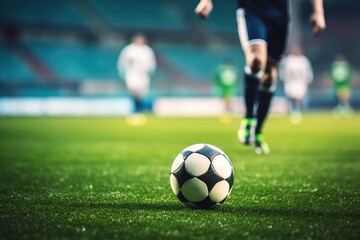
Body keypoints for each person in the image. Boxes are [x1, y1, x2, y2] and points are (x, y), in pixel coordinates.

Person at [195, 0, 325, 154]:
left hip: (280, 14)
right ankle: (249, 118)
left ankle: (258, 131)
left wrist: (318, 11)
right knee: (256, 60)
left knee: (269, 76)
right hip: (252, 9)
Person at [117, 33, 156, 125]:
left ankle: (139, 110)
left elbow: (151, 64)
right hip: (132, 74)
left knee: (141, 94)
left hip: (143, 75)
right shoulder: (128, 50)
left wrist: (149, 71)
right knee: (134, 91)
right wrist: (122, 72)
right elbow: (122, 62)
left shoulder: (147, 50)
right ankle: (135, 111)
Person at [279, 46, 313, 124]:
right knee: (292, 96)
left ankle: (298, 110)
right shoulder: (288, 60)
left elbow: (307, 72)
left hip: (300, 82)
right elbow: (284, 71)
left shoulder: (304, 60)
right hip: (291, 82)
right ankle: (293, 110)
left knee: (299, 97)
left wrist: (307, 80)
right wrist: (285, 78)